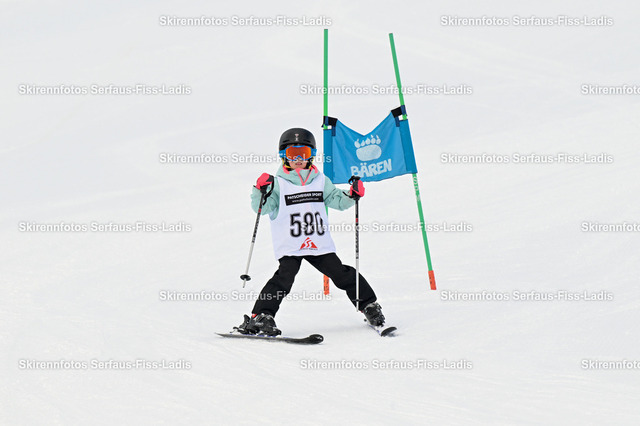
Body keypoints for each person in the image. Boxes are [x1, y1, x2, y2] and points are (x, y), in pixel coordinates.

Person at [235, 128, 386, 336]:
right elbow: (262, 208)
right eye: (292, 154)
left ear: (311, 155)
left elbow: (336, 200)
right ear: (284, 156)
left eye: (303, 153)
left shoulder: (320, 181)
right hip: (291, 244)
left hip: (318, 243)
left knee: (342, 274)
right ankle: (261, 316)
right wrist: (260, 190)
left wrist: (352, 195)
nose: (298, 159)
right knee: (283, 279)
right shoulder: (278, 184)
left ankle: (369, 306)